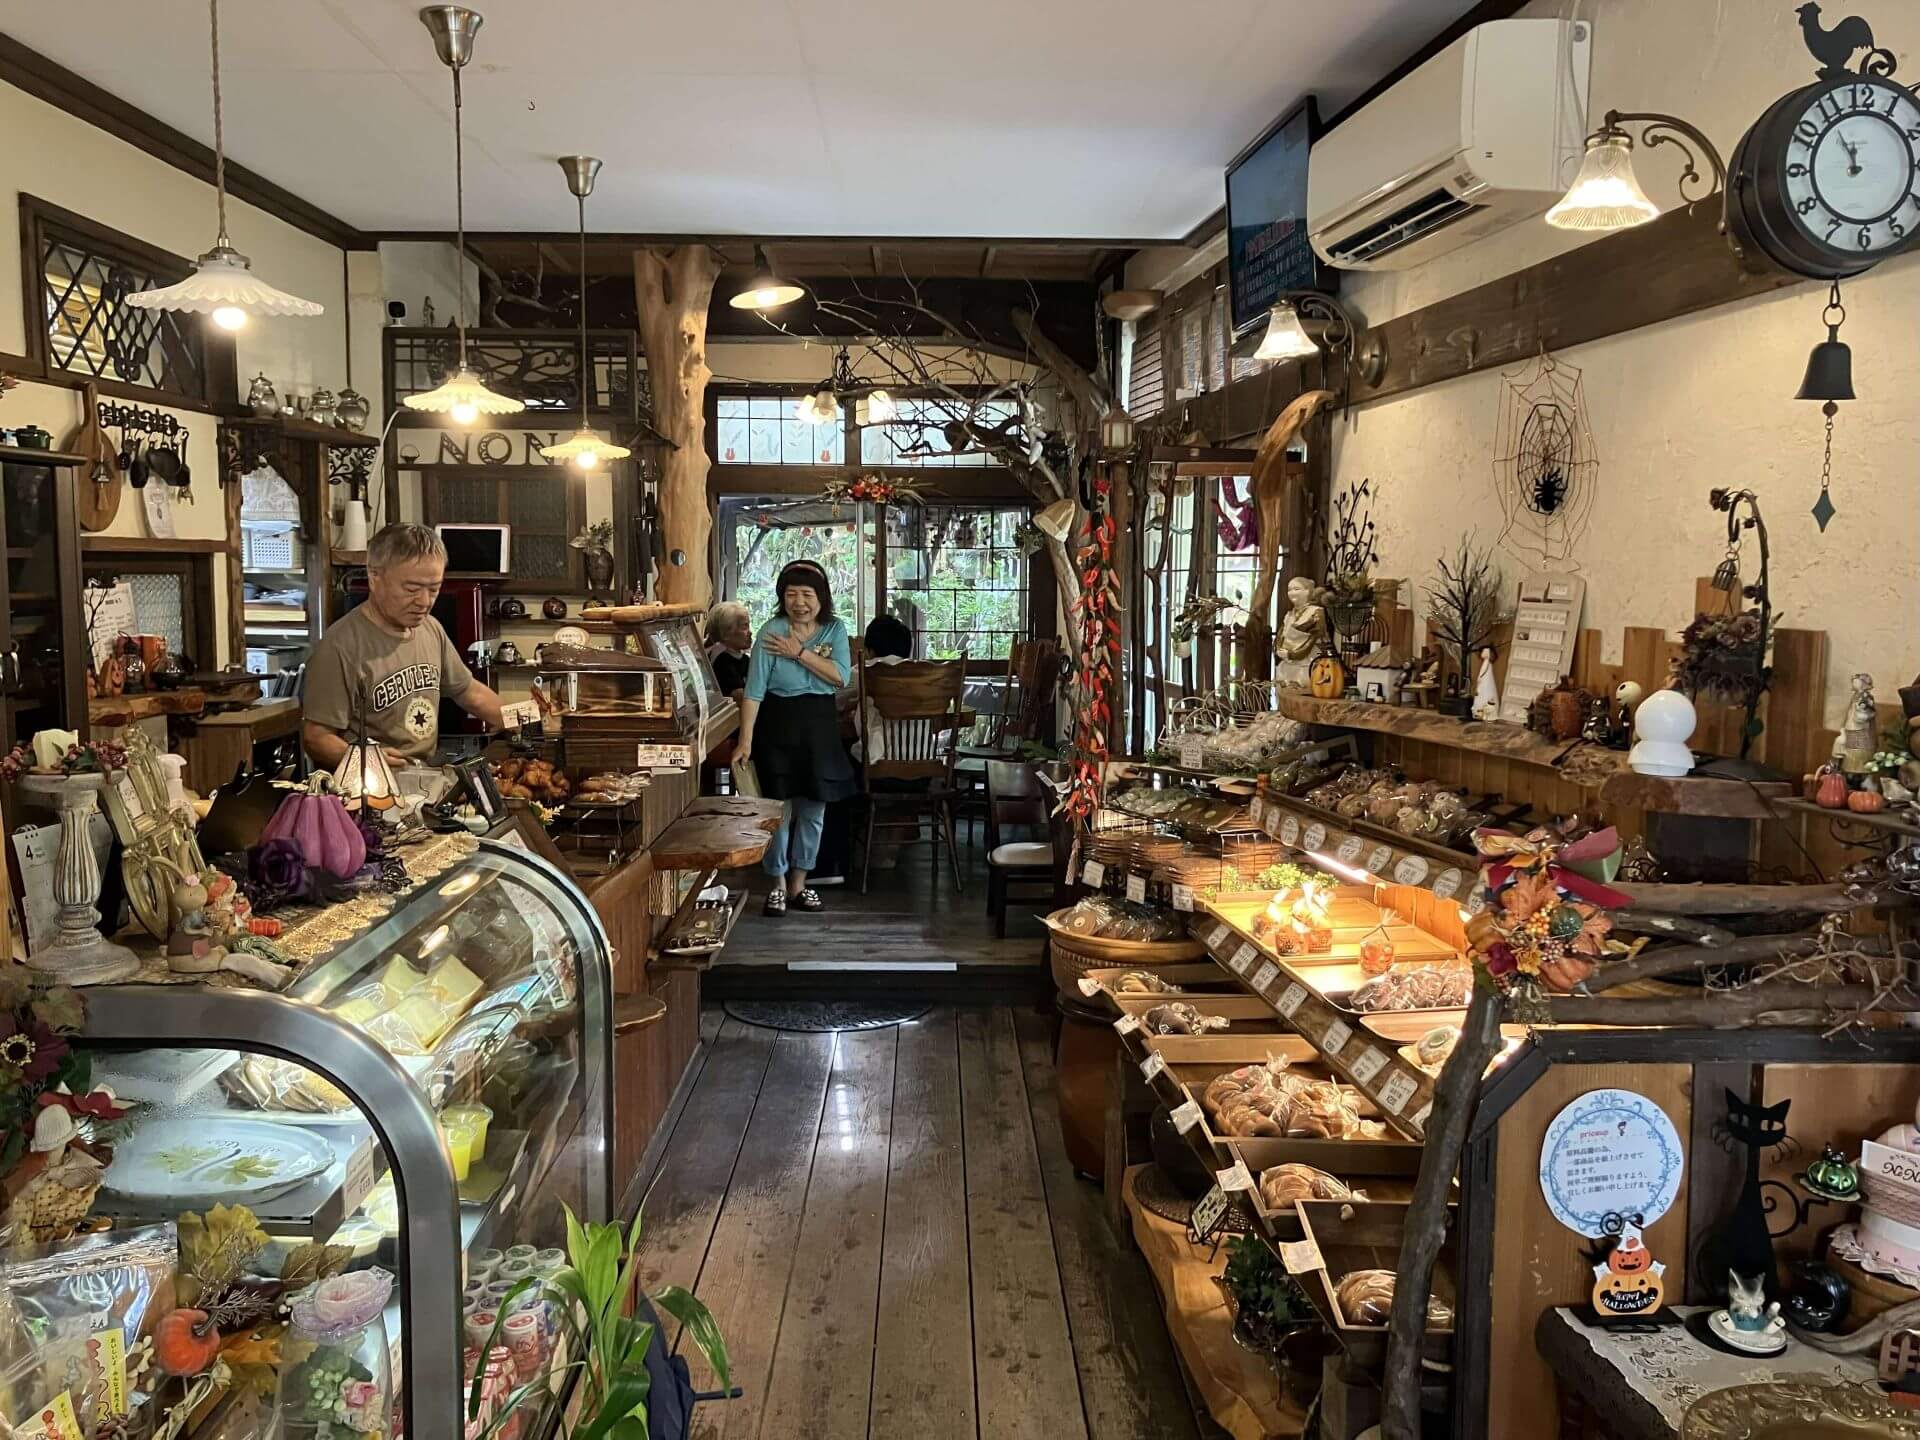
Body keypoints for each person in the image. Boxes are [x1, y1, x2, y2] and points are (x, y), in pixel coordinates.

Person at [303, 523, 505, 770]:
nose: (424, 601)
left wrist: (527, 718)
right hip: (371, 786)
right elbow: (316, 738)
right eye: (411, 589)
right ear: (374, 578)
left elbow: (469, 692)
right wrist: (366, 760)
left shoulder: (431, 629)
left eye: (434, 589)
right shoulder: (339, 646)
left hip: (423, 777)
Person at [734, 560, 857, 916]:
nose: (799, 603)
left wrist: (799, 653)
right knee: (779, 812)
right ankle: (776, 883)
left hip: (819, 728)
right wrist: (745, 741)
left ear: (821, 598)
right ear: (781, 597)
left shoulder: (834, 629)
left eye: (807, 595)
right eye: (791, 594)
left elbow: (840, 677)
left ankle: (799, 884)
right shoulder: (771, 632)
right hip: (777, 725)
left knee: (814, 811)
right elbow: (754, 691)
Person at [705, 600, 753, 703]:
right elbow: (741, 697)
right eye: (744, 627)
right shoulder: (722, 661)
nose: (750, 632)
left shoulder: (744, 658)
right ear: (725, 633)